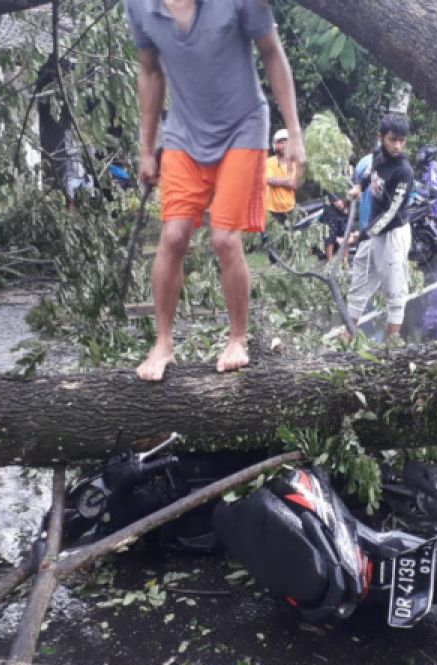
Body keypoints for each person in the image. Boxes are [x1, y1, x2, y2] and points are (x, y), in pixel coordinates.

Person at [124, 0, 306, 382]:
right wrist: (146, 148)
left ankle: (238, 339)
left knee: (224, 237)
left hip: (243, 126)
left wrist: (294, 133)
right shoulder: (140, 6)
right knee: (172, 236)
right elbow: (150, 71)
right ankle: (162, 344)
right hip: (183, 134)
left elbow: (272, 53)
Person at [344, 114, 414, 341]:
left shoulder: (404, 171)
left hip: (393, 232)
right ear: (381, 137)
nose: (397, 146)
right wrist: (359, 187)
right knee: (360, 279)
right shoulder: (377, 156)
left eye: (402, 140)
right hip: (373, 229)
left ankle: (392, 344)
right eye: (393, 139)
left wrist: (362, 234)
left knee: (395, 290)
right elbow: (369, 174)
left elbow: (392, 214)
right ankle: (348, 336)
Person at [265, 128, 300, 223]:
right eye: (281, 142)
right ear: (275, 145)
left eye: (287, 142)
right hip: (271, 209)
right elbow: (269, 180)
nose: (285, 145)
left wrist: (278, 181)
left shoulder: (295, 164)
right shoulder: (269, 162)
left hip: (289, 208)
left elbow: (293, 184)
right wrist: (287, 180)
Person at [415, 144, 437, 236]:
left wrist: (423, 191)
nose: (420, 157)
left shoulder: (433, 168)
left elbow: (433, 187)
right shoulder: (428, 168)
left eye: (422, 155)